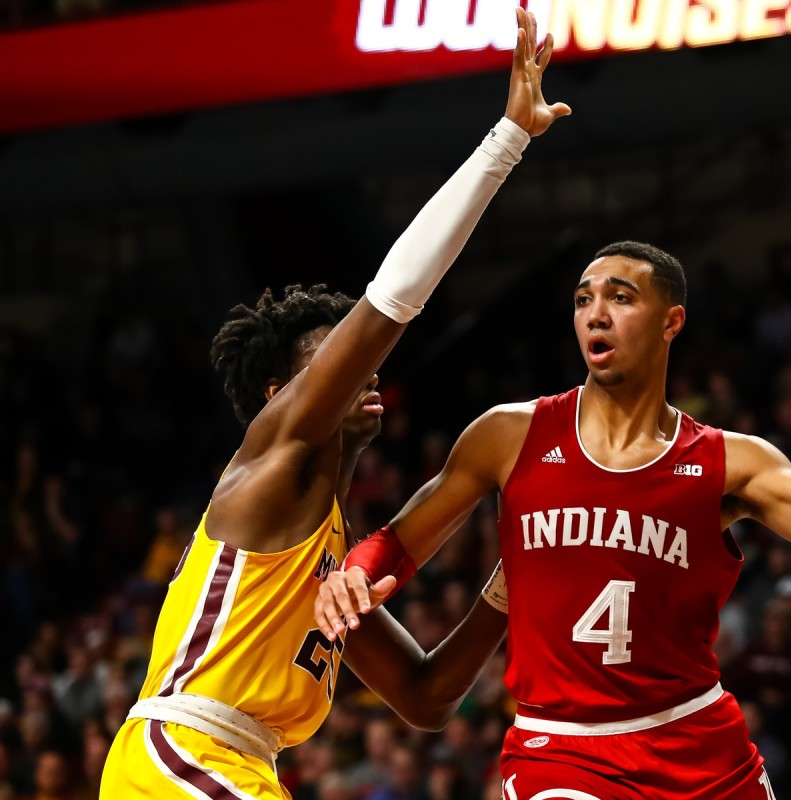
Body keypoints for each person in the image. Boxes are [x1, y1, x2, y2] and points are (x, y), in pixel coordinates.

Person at [317, 240, 791, 798]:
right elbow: (397, 543)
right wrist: (353, 575)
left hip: (701, 749)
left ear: (671, 322)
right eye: (582, 299)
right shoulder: (509, 435)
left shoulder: (729, 463)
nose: (595, 312)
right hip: (561, 749)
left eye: (620, 296)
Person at [99, 10, 569, 799]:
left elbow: (424, 697)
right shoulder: (273, 456)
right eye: (333, 360)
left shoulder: (321, 549)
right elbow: (395, 298)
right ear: (284, 394)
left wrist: (506, 583)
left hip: (245, 765)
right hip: (179, 751)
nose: (366, 370)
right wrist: (507, 141)